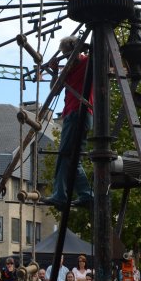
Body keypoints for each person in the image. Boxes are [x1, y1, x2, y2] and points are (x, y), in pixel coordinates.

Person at [42, 36, 93, 209]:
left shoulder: (87, 62)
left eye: (68, 54)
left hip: (78, 113)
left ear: (76, 51)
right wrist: (56, 72)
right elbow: (55, 90)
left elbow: (103, 56)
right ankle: (86, 195)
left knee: (64, 155)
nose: (67, 58)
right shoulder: (69, 69)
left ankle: (60, 195)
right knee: (73, 159)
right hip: (75, 114)